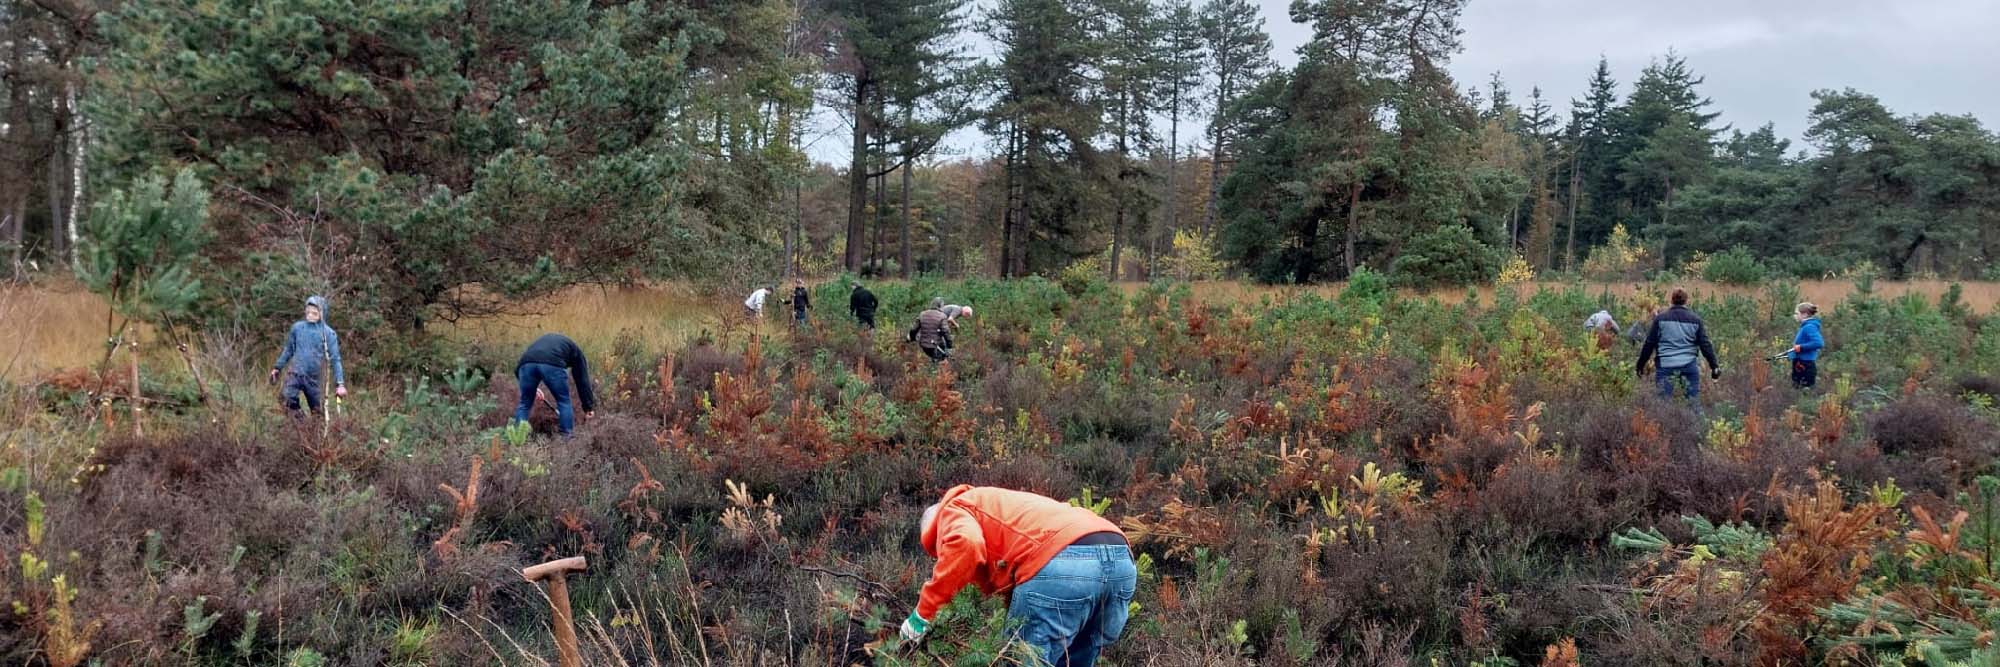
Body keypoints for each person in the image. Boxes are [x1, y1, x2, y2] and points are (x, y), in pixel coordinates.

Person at [900, 485, 1136, 667]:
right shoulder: (999, 504)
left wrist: (922, 617)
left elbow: (965, 545)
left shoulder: (954, 508)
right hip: (1121, 561)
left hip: (1062, 563)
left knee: (1022, 659)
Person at [1636, 288, 1721, 403]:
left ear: (1671, 300)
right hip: (1689, 365)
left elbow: (1649, 344)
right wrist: (1714, 366)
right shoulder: (1696, 320)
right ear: (1686, 301)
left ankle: (1665, 421)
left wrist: (1640, 365)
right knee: (1693, 404)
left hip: (1665, 365)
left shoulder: (1660, 319)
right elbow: (1705, 345)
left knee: (1663, 404)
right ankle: (1693, 420)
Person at [270, 296, 347, 418]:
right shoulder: (298, 328)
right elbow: (289, 349)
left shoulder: (328, 333)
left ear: (322, 313)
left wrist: (340, 384)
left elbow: (335, 359)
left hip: (315, 379)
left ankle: (317, 434)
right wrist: (277, 367)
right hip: (296, 373)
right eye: (308, 311)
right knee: (286, 398)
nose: (310, 315)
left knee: (318, 413)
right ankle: (301, 425)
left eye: (314, 313)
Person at [513, 333, 597, 437]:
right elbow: (582, 380)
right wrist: (588, 407)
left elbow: (519, 369)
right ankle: (566, 439)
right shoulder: (577, 354)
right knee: (563, 401)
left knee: (524, 404)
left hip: (526, 365)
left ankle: (517, 438)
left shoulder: (544, 344)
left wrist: (534, 389)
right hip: (551, 364)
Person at [1787, 302, 1824, 389]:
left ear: (1804, 314)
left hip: (1805, 365)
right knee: (1798, 389)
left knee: (1804, 390)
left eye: (1797, 313)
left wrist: (1801, 347)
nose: (1794, 316)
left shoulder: (1809, 327)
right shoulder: (1805, 326)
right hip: (1800, 363)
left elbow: (1819, 343)